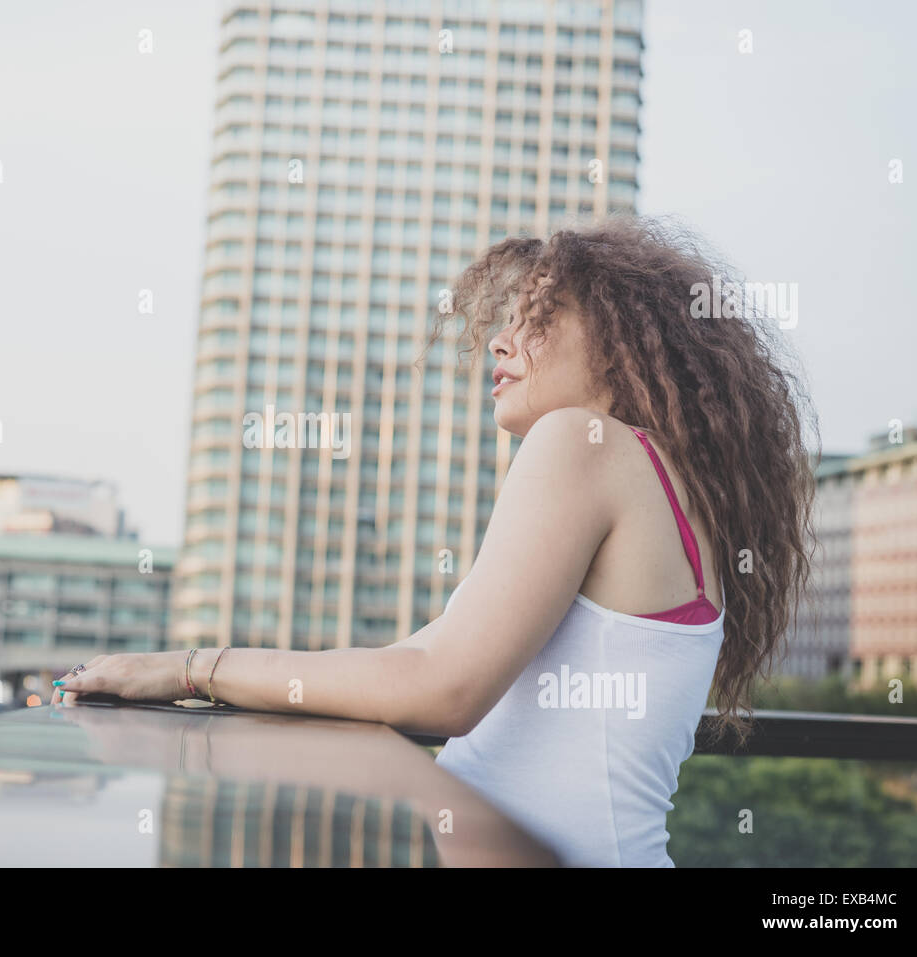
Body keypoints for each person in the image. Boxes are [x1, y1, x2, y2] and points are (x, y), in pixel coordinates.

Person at [52, 217, 816, 867]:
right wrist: (192, 671)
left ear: (622, 345)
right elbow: (403, 668)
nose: (501, 341)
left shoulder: (583, 443)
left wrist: (190, 668)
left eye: (538, 318)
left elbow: (442, 688)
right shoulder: (662, 479)